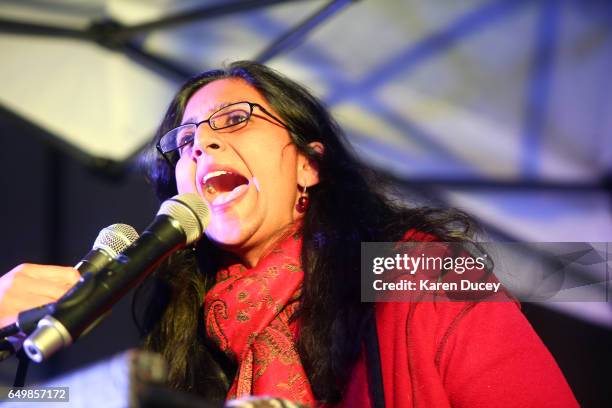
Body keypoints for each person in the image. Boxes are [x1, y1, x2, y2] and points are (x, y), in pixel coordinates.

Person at [0, 61, 577, 407]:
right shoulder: (185, 335)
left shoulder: (419, 270)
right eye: (184, 140)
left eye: (234, 118)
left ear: (309, 165)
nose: (199, 144)